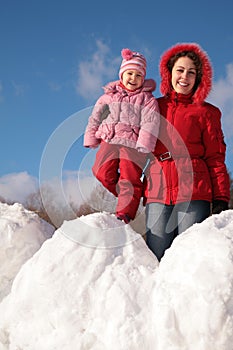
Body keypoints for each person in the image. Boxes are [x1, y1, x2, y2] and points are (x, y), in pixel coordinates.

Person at [145, 42, 230, 261]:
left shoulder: (207, 112)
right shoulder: (153, 107)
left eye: (191, 72)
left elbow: (215, 157)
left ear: (199, 78)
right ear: (169, 73)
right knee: (156, 254)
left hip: (194, 190)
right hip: (158, 188)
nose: (185, 76)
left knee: (189, 256)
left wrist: (221, 196)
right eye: (180, 70)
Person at [84, 48, 160, 224]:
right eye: (130, 73)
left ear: (143, 78)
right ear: (122, 74)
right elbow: (95, 117)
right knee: (101, 171)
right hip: (109, 139)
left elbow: (150, 122)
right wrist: (91, 137)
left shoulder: (147, 99)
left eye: (138, 75)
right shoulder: (108, 96)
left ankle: (124, 213)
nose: (133, 78)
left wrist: (144, 144)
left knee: (129, 177)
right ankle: (131, 193)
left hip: (133, 144)